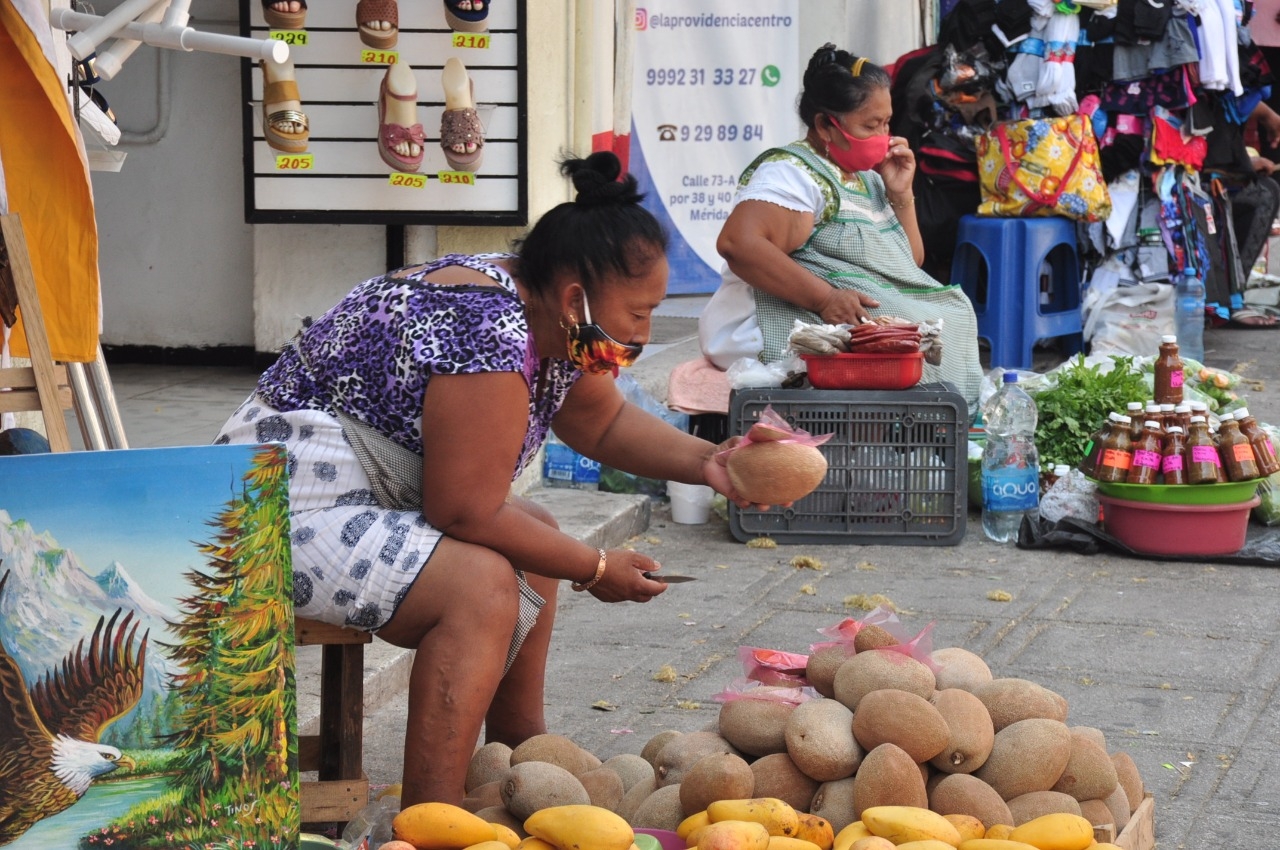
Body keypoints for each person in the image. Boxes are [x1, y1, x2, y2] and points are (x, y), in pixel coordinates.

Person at [214, 152, 768, 807]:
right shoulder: (487, 329)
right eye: (639, 315)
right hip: (263, 513)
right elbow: (465, 512)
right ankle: (433, 819)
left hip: (354, 499)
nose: (644, 334)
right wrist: (594, 567)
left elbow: (605, 424)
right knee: (479, 586)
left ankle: (521, 751)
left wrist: (707, 463)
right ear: (575, 298)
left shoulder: (545, 316)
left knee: (535, 537)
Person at [698, 43, 984, 409]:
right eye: (870, 125)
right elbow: (739, 243)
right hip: (774, 322)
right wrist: (826, 298)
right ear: (825, 125)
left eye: (886, 123)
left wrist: (901, 194)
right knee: (905, 338)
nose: (884, 136)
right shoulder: (792, 175)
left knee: (952, 317)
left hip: (829, 313)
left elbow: (905, 266)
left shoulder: (869, 177)